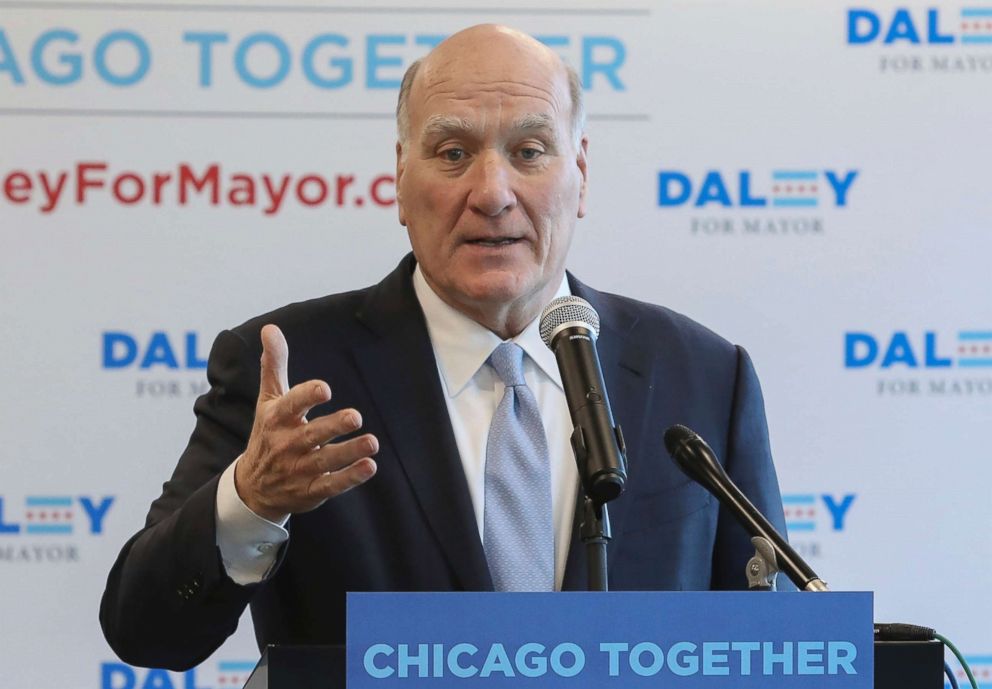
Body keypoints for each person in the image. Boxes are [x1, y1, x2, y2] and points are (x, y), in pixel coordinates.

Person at [100, 24, 790, 671]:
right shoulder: (295, 370)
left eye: (529, 151)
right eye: (453, 153)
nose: (492, 193)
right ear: (401, 178)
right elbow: (146, 629)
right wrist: (250, 499)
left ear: (579, 171)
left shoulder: (700, 373)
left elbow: (772, 645)